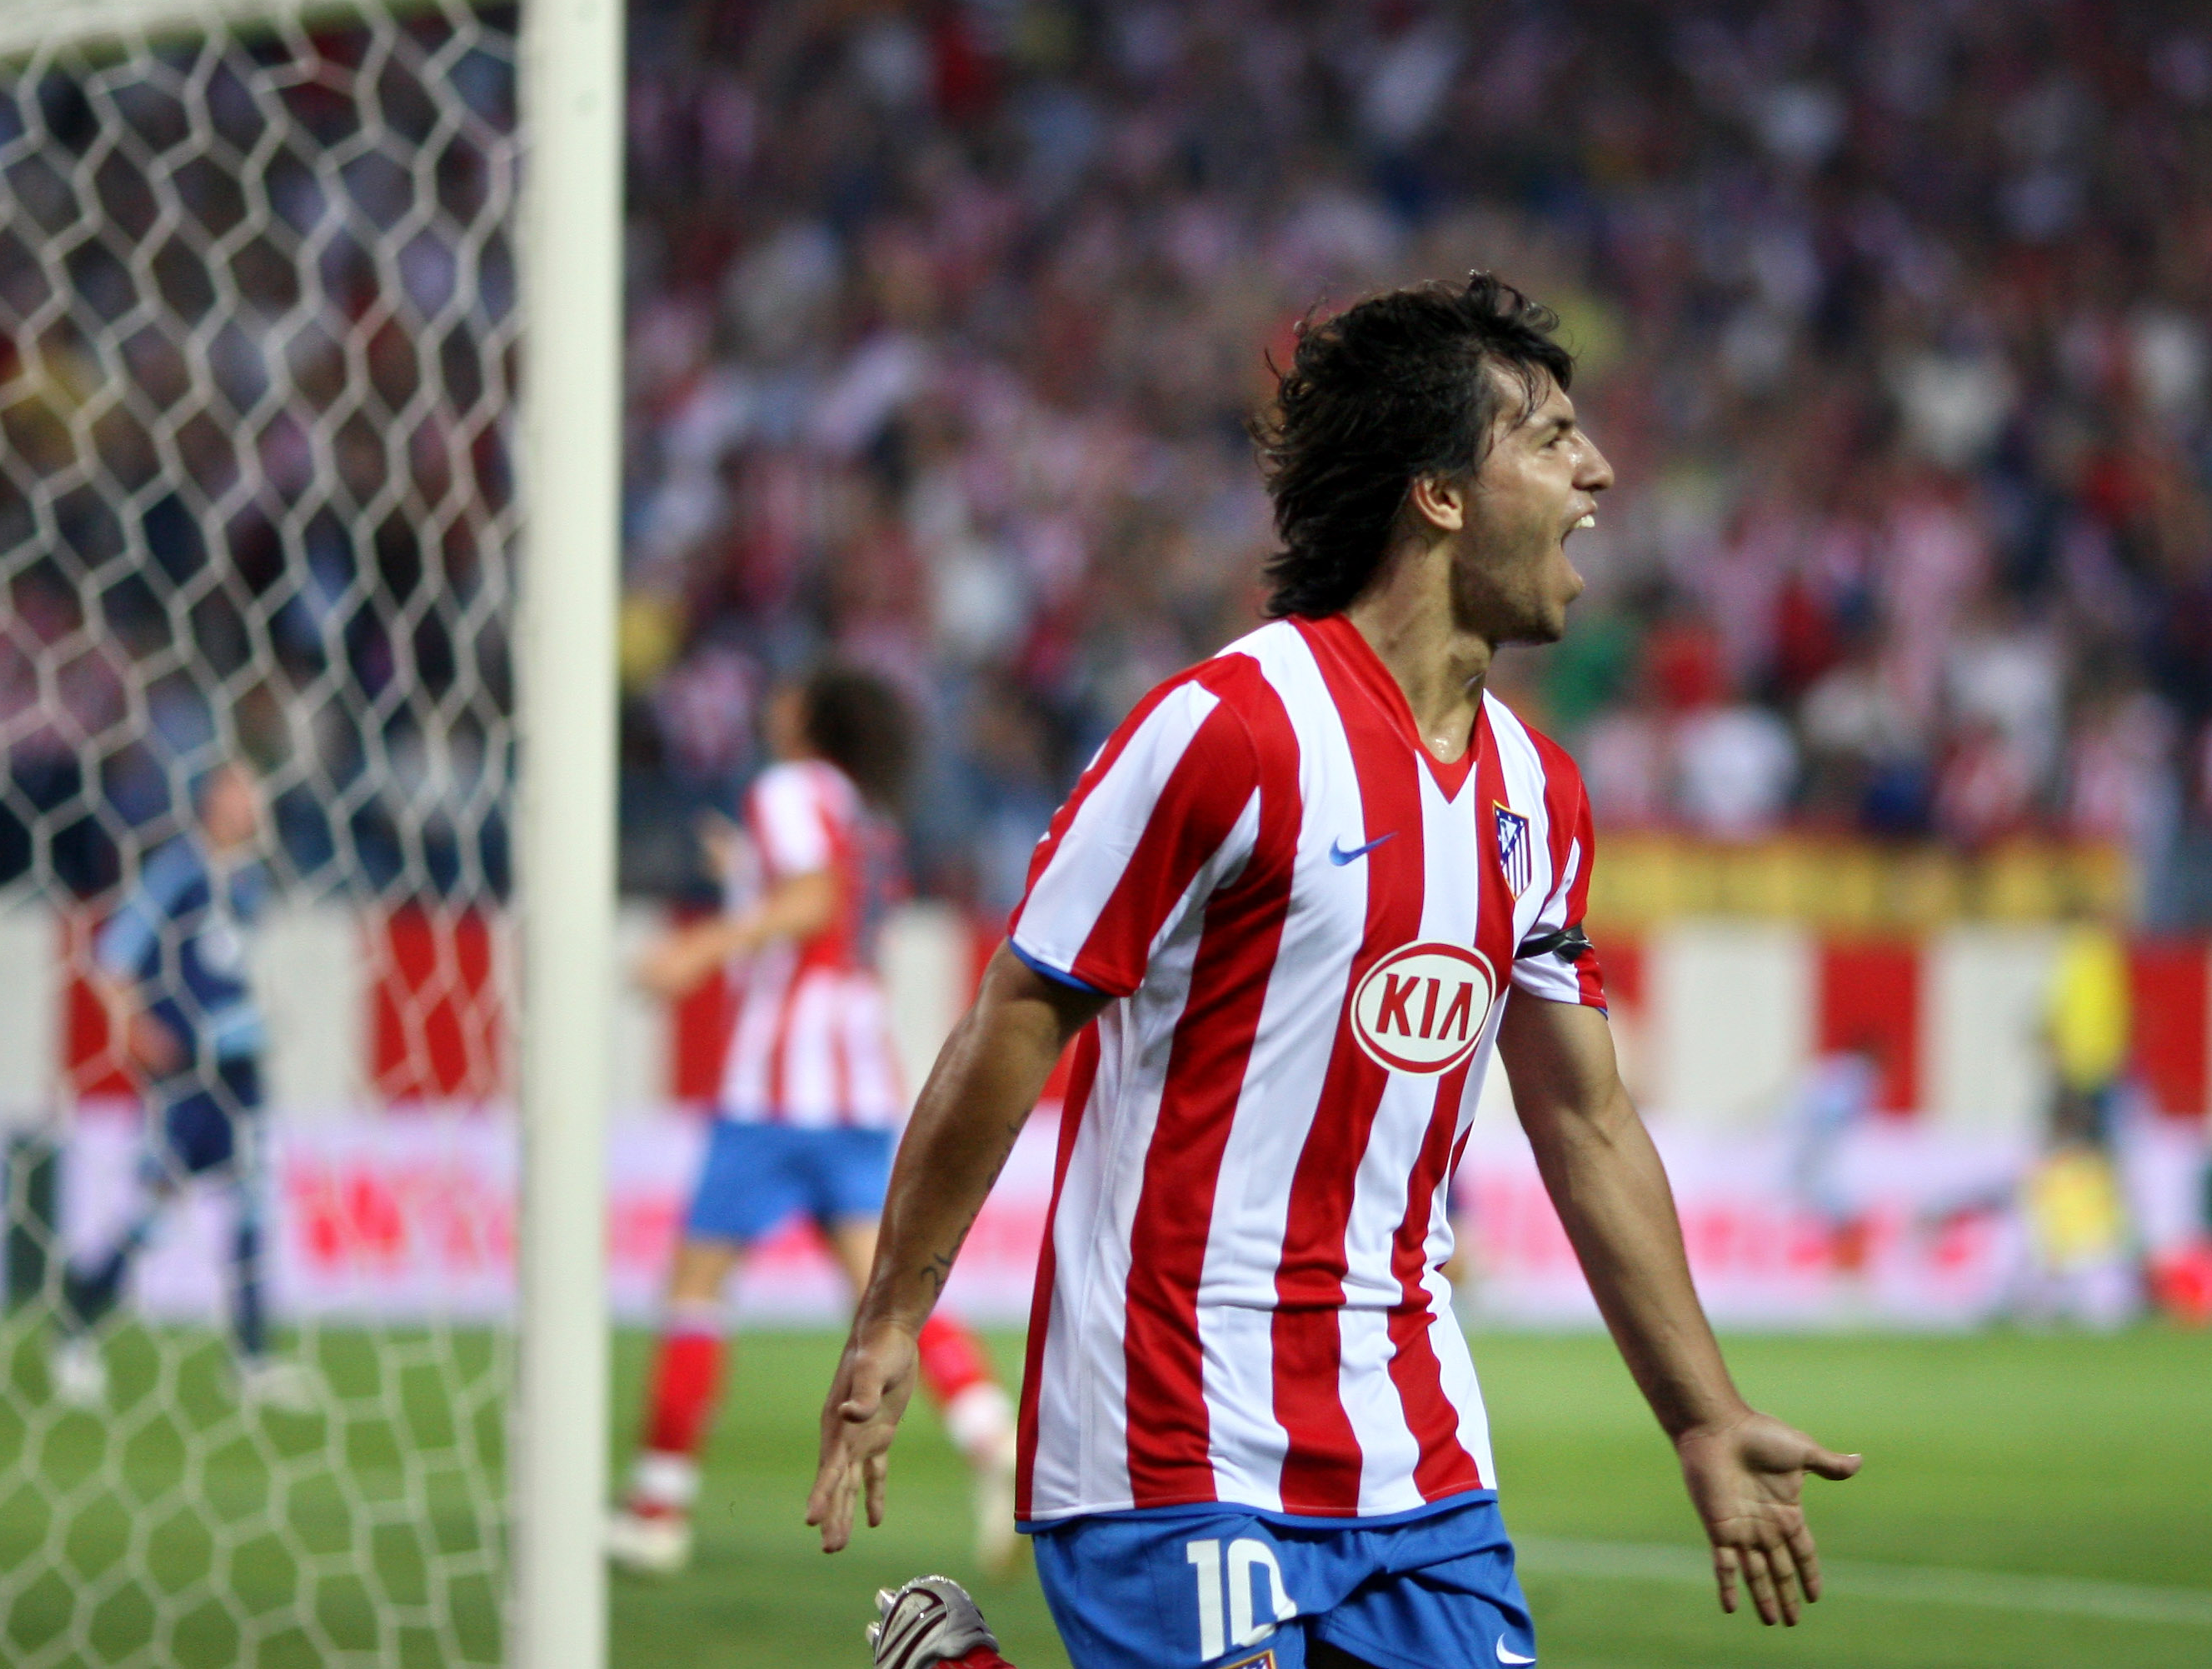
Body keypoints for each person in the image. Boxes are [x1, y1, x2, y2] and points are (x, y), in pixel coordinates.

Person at [811, 277, 1860, 1669]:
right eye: (1548, 439)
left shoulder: (1536, 797)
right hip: (1169, 1420)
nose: (1595, 469)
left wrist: (1702, 1413)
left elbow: (1583, 1118)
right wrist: (892, 1318)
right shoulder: (1228, 732)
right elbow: (1016, 1016)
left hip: (1410, 1445)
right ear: (1436, 494)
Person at [608, 666, 1021, 1576]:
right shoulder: (864, 813)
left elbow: (812, 901)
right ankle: (996, 1444)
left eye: (788, 694)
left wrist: (700, 946)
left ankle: (657, 1508)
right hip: (859, 1080)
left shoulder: (787, 787)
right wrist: (745, 874)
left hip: (778, 1089)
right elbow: (827, 892)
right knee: (887, 1298)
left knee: (694, 1285)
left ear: (813, 716)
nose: (772, 700)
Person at [51, 759, 318, 1410]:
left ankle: (252, 1361)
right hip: (188, 1074)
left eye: (255, 796)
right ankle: (75, 1331)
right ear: (211, 803)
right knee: (153, 1208)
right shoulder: (177, 873)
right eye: (239, 794)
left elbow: (221, 967)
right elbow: (111, 958)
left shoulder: (250, 883)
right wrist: (133, 1027)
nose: (250, 806)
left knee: (254, 1204)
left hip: (241, 1069)